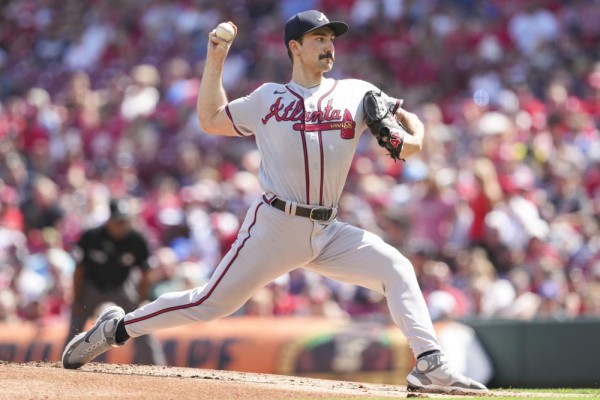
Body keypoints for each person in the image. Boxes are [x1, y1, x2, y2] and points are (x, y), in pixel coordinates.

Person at [62, 10, 487, 394]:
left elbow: (407, 131)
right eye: (318, 38)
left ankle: (429, 364)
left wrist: (411, 136)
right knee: (209, 303)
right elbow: (211, 120)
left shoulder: (358, 92)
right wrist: (216, 57)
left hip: (328, 229)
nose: (328, 45)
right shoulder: (267, 98)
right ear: (295, 48)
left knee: (396, 268)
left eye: (331, 38)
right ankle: (116, 329)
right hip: (275, 224)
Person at [64, 198, 165, 366]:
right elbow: (79, 271)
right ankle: (64, 362)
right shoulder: (92, 236)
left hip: (122, 286)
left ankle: (156, 366)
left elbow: (147, 272)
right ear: (109, 220)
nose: (122, 225)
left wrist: (141, 298)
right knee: (75, 322)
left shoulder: (137, 239)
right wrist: (77, 298)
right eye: (118, 221)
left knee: (142, 322)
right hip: (92, 285)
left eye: (125, 221)